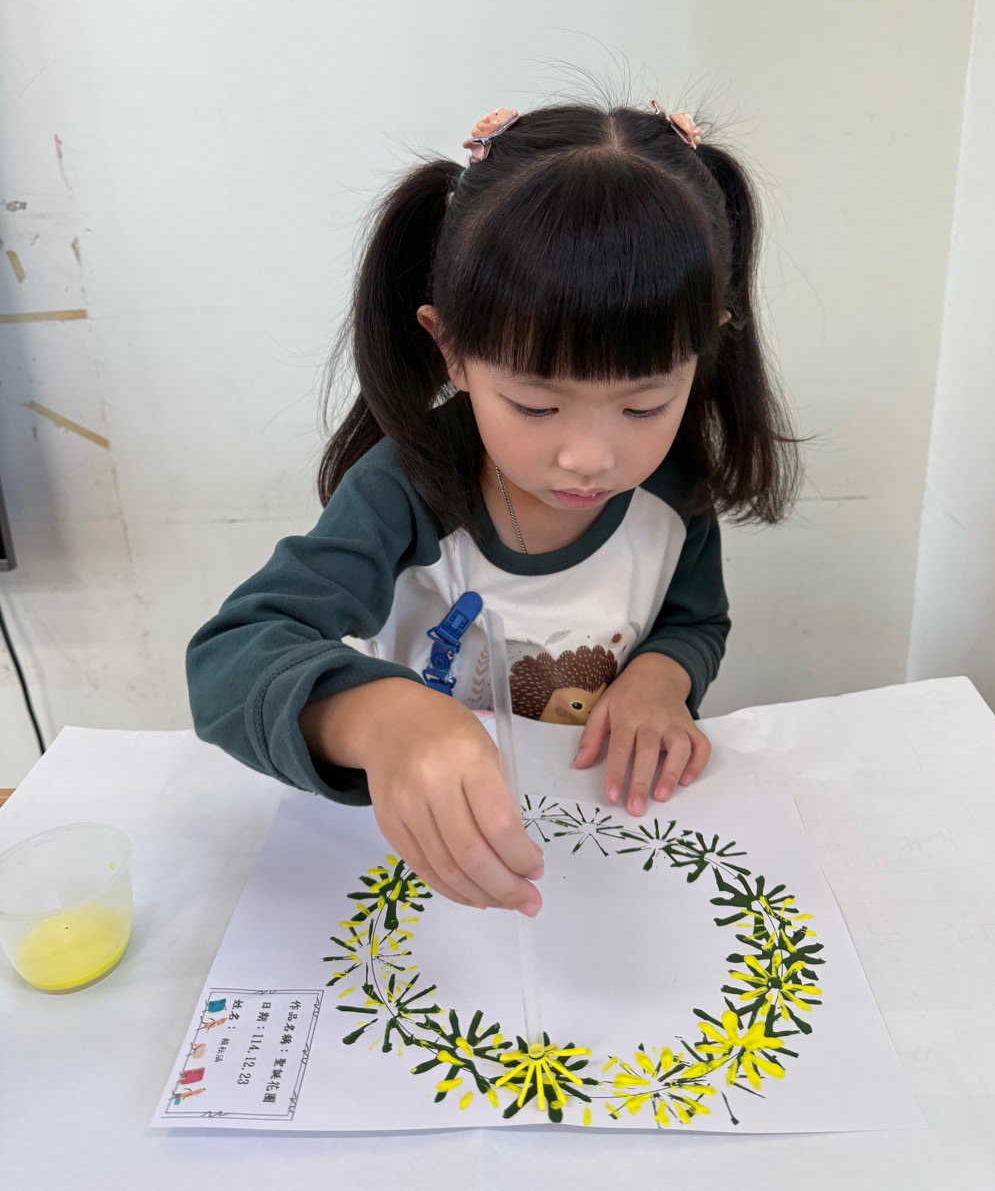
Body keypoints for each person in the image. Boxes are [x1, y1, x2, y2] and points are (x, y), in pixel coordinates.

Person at [186, 99, 799, 921]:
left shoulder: (671, 492)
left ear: (705, 347)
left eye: (645, 405)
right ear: (452, 350)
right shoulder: (406, 490)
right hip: (426, 858)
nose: (590, 457)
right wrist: (382, 719)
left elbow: (695, 620)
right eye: (537, 406)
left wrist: (662, 677)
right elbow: (229, 659)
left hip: (600, 853)